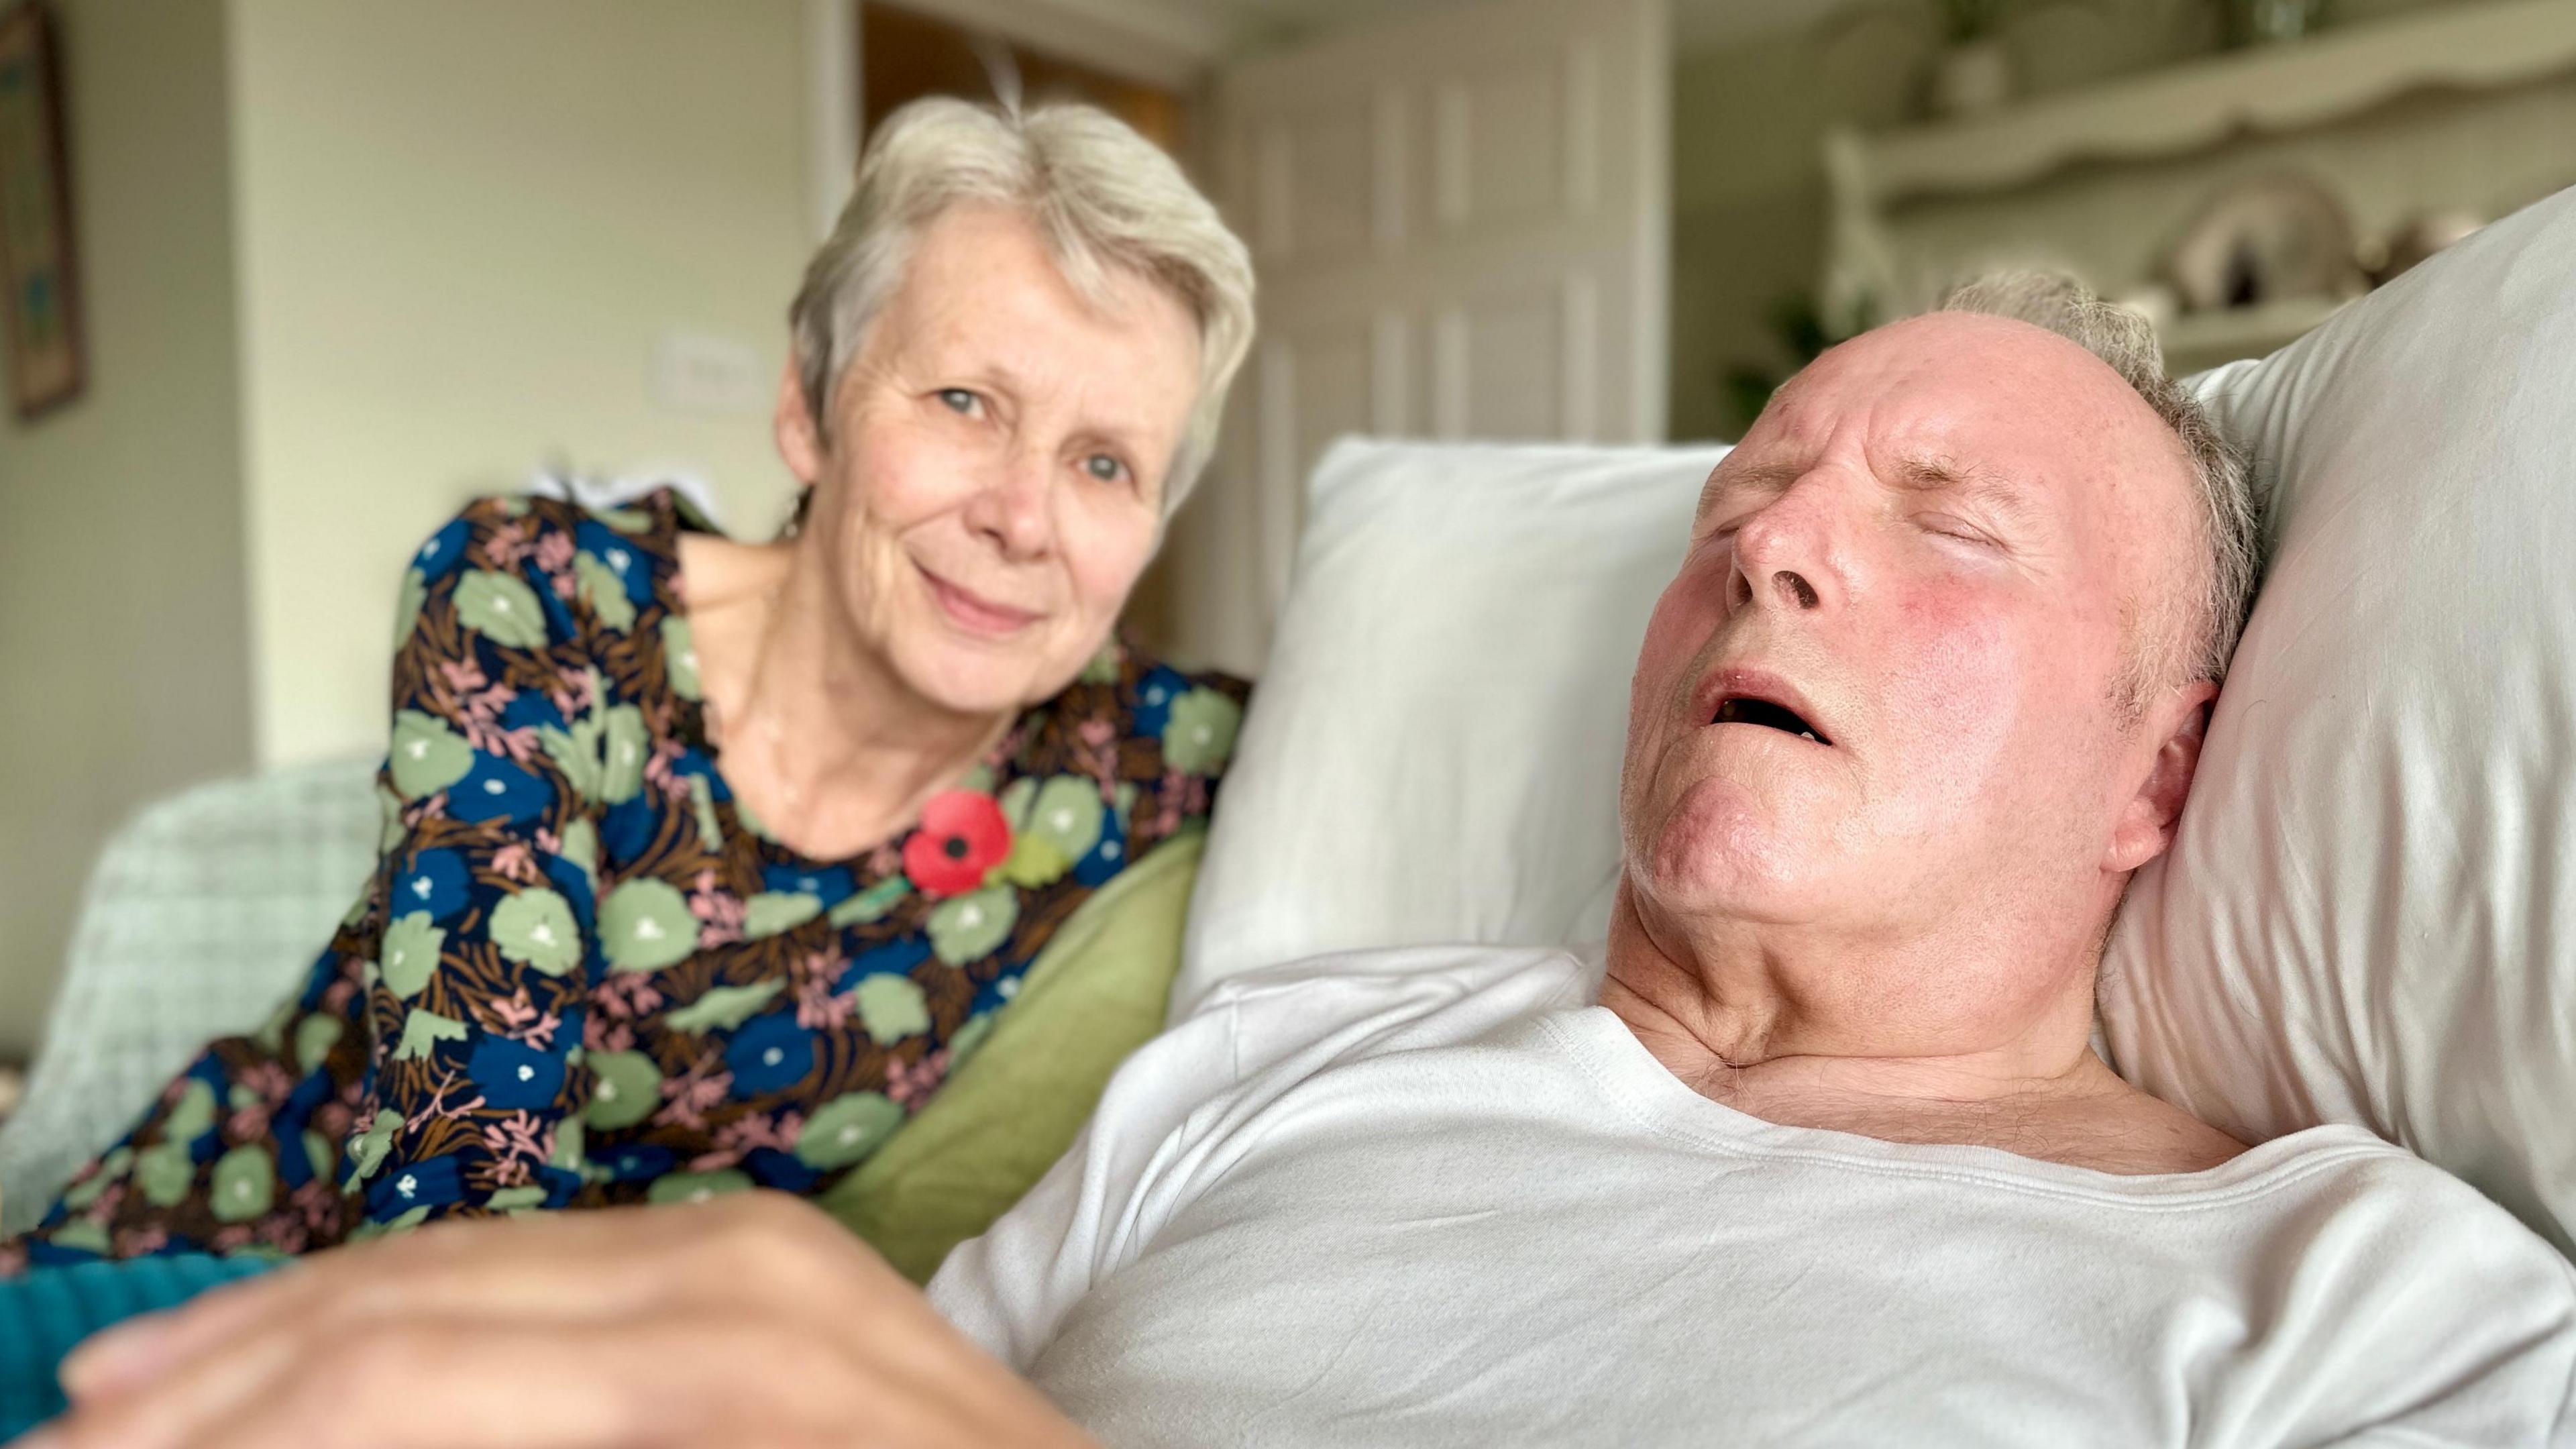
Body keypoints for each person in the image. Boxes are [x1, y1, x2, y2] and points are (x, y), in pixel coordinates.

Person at [38, 276, 2576, 1448]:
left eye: (1947, 524)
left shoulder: (2375, 1316)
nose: (1775, 555)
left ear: (2165, 772)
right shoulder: (1276, 1062)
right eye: (1744, 501)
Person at [5, 95, 1254, 1269]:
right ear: (808, 412)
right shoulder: (542, 605)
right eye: (967, 401)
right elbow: (455, 1219)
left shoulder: (1125, 752)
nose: (1025, 519)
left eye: (1104, 465)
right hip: (215, 1269)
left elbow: (1427, 725)